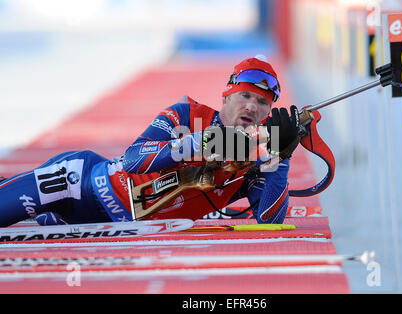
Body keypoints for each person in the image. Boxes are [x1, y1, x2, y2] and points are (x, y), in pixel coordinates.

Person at [0, 55, 301, 227]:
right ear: (227, 96)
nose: (251, 106)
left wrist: (280, 158)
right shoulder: (188, 114)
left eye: (262, 102)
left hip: (101, 224)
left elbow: (271, 221)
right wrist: (204, 142)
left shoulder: (258, 158)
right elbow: (133, 159)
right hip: (80, 184)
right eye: (245, 96)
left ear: (268, 112)